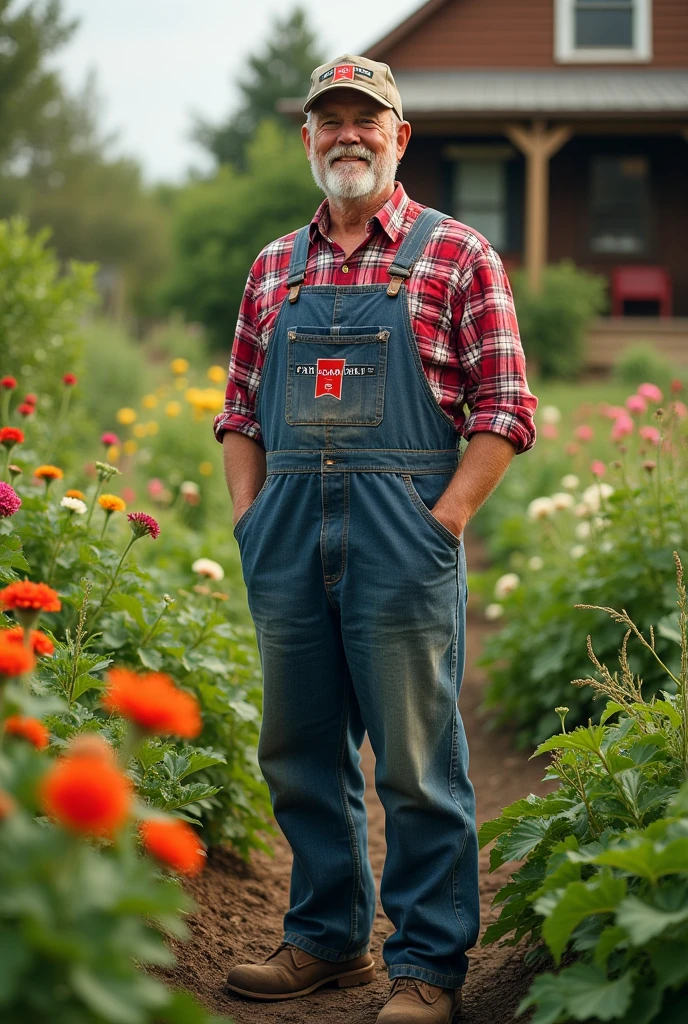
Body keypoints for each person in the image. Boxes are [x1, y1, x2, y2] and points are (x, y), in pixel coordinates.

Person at [215, 53, 537, 1024]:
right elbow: (238, 412)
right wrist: (250, 519)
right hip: (287, 538)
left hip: (404, 536)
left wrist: (444, 524)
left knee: (414, 756)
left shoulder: (457, 255)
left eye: (368, 120)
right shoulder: (275, 264)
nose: (347, 135)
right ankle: (325, 939)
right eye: (330, 120)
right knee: (299, 747)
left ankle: (430, 964)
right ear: (307, 138)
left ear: (400, 138)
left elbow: (507, 408)